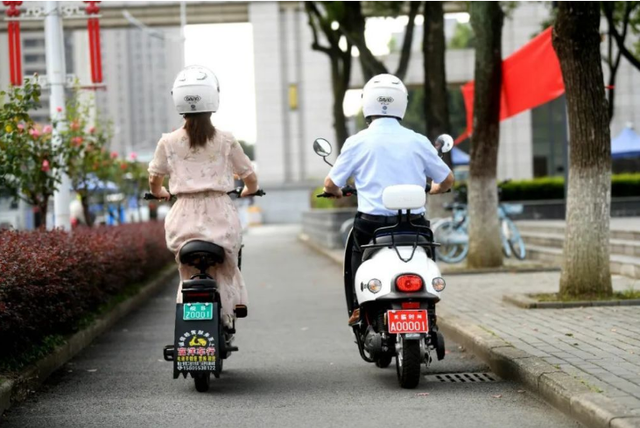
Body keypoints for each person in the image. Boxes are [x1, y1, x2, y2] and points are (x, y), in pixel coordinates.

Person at [321, 74, 455, 325]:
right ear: (401, 103)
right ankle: (430, 307)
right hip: (414, 224)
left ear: (367, 103)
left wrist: (335, 191)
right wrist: (436, 188)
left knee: (355, 255)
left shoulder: (357, 142)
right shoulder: (418, 141)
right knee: (427, 252)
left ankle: (359, 307)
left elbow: (330, 183)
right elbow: (447, 179)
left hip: (371, 226)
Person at [148, 65, 259, 328]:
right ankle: (230, 310)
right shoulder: (226, 140)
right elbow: (249, 175)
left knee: (186, 272)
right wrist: (249, 190)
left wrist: (160, 193)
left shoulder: (168, 142)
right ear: (214, 100)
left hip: (182, 218)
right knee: (227, 265)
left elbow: (154, 178)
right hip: (221, 214)